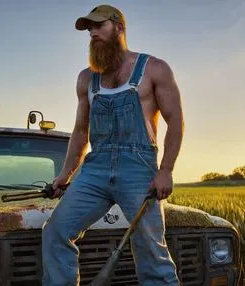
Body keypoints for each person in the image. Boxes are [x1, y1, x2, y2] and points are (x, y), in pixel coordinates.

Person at [41, 4, 184, 285]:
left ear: (119, 27)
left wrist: (166, 169)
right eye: (89, 29)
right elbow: (81, 131)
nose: (93, 33)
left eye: (98, 26)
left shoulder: (153, 68)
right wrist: (65, 175)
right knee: (55, 230)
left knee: (150, 248)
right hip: (95, 169)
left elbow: (176, 121)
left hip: (139, 167)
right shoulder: (86, 78)